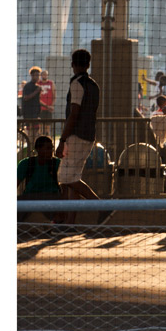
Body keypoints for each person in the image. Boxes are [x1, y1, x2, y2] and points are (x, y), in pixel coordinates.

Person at [55, 48, 107, 220]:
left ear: (72, 64)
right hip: (89, 135)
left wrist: (62, 139)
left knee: (65, 178)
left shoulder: (77, 83)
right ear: (88, 64)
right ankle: (70, 223)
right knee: (73, 178)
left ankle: (101, 206)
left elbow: (74, 113)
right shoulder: (94, 85)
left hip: (76, 135)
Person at [17, 135, 66, 224]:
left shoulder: (57, 164)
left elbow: (66, 187)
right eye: (47, 148)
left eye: (51, 148)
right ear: (38, 149)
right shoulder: (26, 163)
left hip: (51, 197)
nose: (51, 151)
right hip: (31, 197)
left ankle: (58, 222)